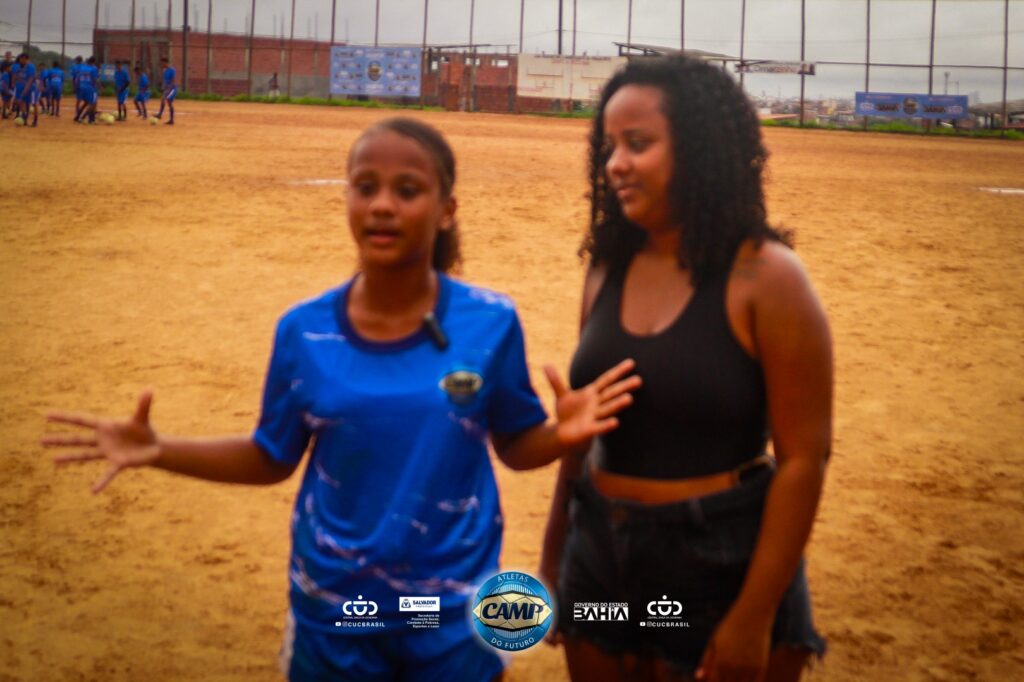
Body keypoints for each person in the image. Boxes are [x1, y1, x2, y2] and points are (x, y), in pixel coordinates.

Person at [43, 117, 640, 681]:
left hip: (454, 616)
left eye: (407, 190)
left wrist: (559, 436)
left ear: (446, 210)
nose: (382, 205)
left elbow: (514, 444)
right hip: (338, 611)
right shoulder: (303, 332)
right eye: (365, 187)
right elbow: (271, 455)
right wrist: (160, 449)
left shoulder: (489, 323)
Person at [540, 56, 832, 681]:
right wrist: (554, 557)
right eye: (609, 147)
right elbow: (584, 432)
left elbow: (804, 459)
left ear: (699, 149)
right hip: (601, 556)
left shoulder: (766, 276)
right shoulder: (606, 268)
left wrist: (754, 616)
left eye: (638, 144)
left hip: (719, 562)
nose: (615, 164)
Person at [75, 56, 100, 124]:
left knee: (86, 102)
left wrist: (77, 86)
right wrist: (100, 86)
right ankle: (90, 119)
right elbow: (95, 79)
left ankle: (77, 116)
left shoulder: (82, 68)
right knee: (92, 103)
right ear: (93, 62)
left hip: (82, 86)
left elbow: (77, 78)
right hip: (90, 88)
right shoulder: (93, 68)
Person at [155, 57, 176, 124]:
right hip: (167, 89)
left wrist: (168, 88)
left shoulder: (172, 70)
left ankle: (160, 115)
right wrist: (163, 87)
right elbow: (165, 81)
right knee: (168, 102)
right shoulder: (165, 71)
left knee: (165, 100)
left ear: (166, 63)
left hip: (172, 89)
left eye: (162, 63)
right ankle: (171, 120)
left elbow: (173, 80)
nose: (162, 65)